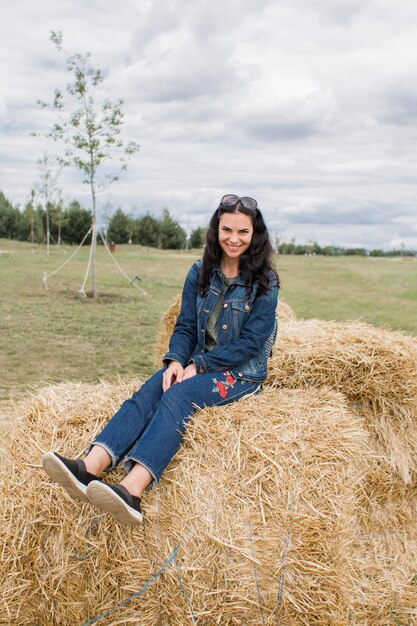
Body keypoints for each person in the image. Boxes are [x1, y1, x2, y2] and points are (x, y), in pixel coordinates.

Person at [42, 194, 279, 525]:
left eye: (243, 232)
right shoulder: (200, 272)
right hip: (200, 362)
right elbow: (184, 326)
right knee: (155, 386)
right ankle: (90, 466)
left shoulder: (264, 283)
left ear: (255, 234)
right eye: (227, 230)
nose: (234, 239)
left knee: (179, 396)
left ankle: (132, 491)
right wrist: (176, 361)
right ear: (216, 229)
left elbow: (253, 344)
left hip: (240, 374)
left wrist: (200, 365)